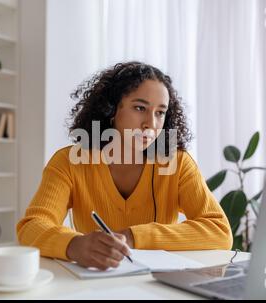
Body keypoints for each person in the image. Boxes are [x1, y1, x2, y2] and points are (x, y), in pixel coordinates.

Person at [17, 61, 232, 270]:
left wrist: (132, 237)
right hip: (95, 286)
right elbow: (32, 226)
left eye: (160, 112)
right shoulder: (69, 162)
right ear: (111, 110)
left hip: (159, 288)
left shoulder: (178, 163)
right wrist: (73, 245)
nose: (151, 124)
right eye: (139, 108)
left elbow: (219, 231)